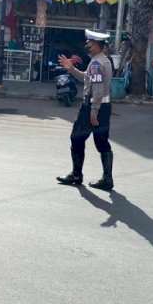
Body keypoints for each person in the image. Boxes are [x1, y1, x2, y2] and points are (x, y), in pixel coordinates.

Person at [56, 29, 115, 190]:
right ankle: (107, 179)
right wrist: (71, 69)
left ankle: (76, 175)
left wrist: (93, 113)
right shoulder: (104, 60)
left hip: (92, 107)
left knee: (76, 138)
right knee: (102, 142)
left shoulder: (96, 63)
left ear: (97, 45)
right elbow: (87, 78)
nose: (87, 46)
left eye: (89, 43)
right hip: (104, 107)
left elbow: (96, 90)